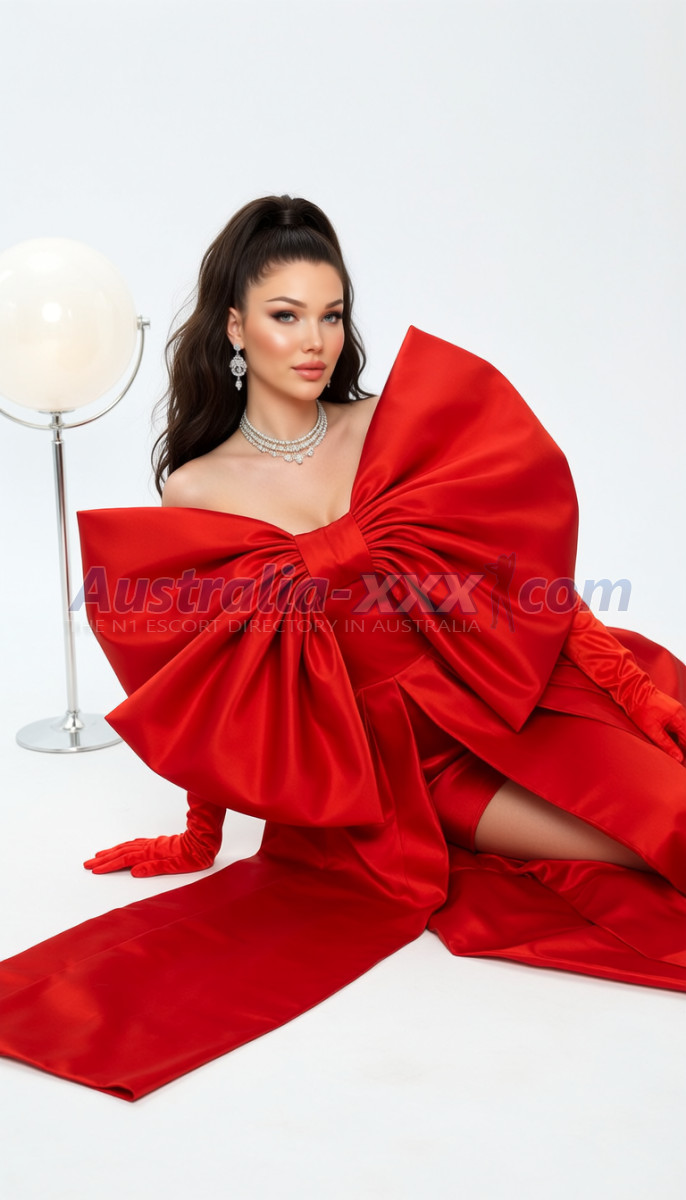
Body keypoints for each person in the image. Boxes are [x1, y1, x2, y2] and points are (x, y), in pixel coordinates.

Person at [1, 195, 685, 1101]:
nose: (314, 341)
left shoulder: (388, 426)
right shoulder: (198, 490)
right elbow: (212, 683)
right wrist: (201, 834)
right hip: (411, 775)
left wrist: (633, 691)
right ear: (236, 328)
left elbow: (518, 575)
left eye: (331, 315)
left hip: (514, 691)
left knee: (669, 791)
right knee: (655, 838)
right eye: (286, 316)